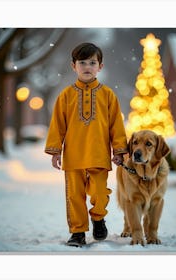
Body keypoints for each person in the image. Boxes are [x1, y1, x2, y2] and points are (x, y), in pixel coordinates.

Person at [44, 42, 128, 247]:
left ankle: (98, 218)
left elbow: (116, 125)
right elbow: (58, 125)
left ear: (100, 66)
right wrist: (56, 151)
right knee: (75, 196)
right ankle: (78, 231)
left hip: (99, 154)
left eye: (92, 62)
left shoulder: (108, 95)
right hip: (73, 156)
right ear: (74, 66)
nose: (87, 66)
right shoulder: (65, 96)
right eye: (82, 62)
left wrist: (119, 150)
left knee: (100, 193)